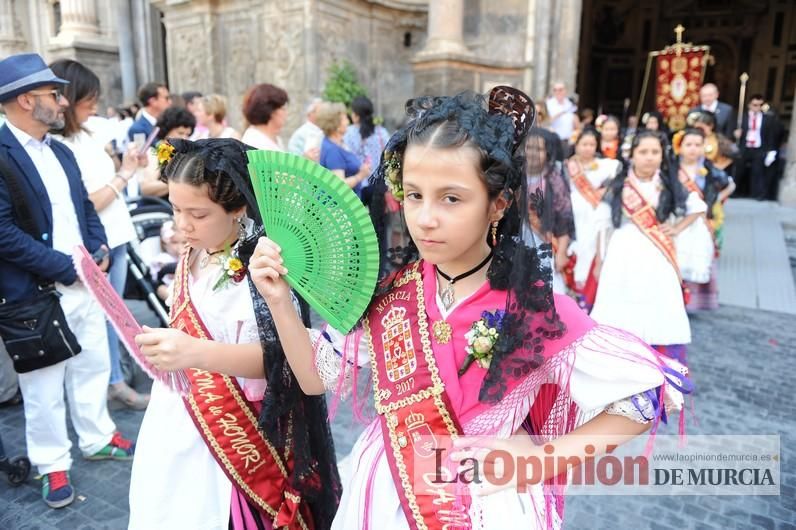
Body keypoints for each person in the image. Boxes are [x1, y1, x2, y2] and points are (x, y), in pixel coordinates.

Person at [249, 88, 690, 530]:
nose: (424, 218)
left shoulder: (534, 309)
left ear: (498, 203)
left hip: (488, 502)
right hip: (387, 490)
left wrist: (539, 463)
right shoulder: (388, 297)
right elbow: (313, 377)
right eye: (415, 195)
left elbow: (644, 396)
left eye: (451, 198)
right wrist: (280, 301)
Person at [130, 138, 340, 530]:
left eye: (197, 213)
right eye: (176, 209)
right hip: (179, 415)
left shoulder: (264, 269)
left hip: (239, 430)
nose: (182, 224)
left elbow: (279, 360)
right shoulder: (195, 248)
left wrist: (195, 352)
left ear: (239, 207)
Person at [0, 53, 135, 509]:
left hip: (83, 280)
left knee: (94, 363)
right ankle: (52, 464)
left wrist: (96, 250)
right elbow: (2, 233)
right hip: (36, 292)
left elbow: (83, 210)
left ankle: (97, 436)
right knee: (43, 385)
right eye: (53, 94)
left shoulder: (60, 150)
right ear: (25, 100)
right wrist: (66, 267)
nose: (62, 102)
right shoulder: (0, 155)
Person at [48, 59, 150, 410]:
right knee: (106, 314)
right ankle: (114, 382)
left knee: (114, 311)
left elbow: (112, 168)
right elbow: (88, 201)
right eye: (87, 98)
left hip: (118, 232)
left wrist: (128, 165)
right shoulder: (60, 145)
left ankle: (114, 377)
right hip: (98, 238)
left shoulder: (89, 132)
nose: (94, 104)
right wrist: (122, 177)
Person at [591, 130, 706, 366]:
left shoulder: (669, 184)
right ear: (632, 154)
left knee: (656, 304)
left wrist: (676, 228)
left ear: (662, 155)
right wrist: (600, 261)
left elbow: (698, 207)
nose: (649, 157)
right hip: (622, 251)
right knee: (620, 306)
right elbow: (602, 224)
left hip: (656, 253)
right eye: (643, 152)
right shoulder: (619, 185)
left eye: (655, 152)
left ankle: (652, 360)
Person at [673, 128, 735, 312]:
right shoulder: (671, 167)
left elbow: (730, 184)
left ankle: (691, 302)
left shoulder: (709, 169)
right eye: (688, 144)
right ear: (680, 147)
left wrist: (714, 200)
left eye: (697, 145)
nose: (693, 149)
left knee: (696, 256)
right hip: (677, 219)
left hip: (700, 221)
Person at [566, 128, 621, 307]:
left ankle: (588, 295)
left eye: (591, 144)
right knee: (574, 250)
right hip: (572, 216)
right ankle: (570, 292)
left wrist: (605, 191)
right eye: (584, 144)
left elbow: (619, 176)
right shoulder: (567, 166)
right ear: (577, 144)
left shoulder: (606, 165)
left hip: (595, 216)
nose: (588, 148)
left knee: (592, 250)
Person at [524, 128, 576, 294]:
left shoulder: (554, 181)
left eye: (538, 149)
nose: (532, 153)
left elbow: (564, 220)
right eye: (529, 147)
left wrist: (561, 253)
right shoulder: (511, 174)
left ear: (548, 153)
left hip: (543, 245)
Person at [133, 106, 197, 199]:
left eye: (187, 134)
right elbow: (145, 188)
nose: (185, 138)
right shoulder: (156, 152)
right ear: (167, 131)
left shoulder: (185, 153)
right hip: (158, 208)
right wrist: (181, 182)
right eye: (180, 133)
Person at [736, 94, 783, 200]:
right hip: (745, 146)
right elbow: (735, 131)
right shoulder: (742, 117)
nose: (757, 107)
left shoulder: (767, 119)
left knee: (758, 171)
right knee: (740, 169)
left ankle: (757, 194)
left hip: (759, 147)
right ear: (749, 105)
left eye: (760, 105)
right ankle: (736, 191)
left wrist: (771, 150)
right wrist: (737, 134)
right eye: (755, 105)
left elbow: (770, 135)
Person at [344, 95, 390, 202]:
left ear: (356, 116)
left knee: (356, 217)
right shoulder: (381, 132)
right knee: (377, 218)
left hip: (356, 183)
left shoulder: (347, 133)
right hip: (378, 184)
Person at [316, 102, 371, 190]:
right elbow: (339, 186)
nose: (348, 122)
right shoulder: (332, 151)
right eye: (345, 119)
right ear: (336, 125)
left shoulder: (337, 143)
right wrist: (360, 176)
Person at [240, 83, 289, 151]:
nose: (286, 113)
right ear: (271, 111)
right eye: (283, 108)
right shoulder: (254, 142)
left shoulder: (274, 138)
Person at [545, 82, 577, 150]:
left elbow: (575, 124)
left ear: (565, 90)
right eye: (555, 90)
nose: (557, 92)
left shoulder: (570, 104)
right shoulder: (548, 104)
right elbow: (545, 121)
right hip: (552, 141)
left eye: (560, 89)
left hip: (567, 141)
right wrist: (561, 112)